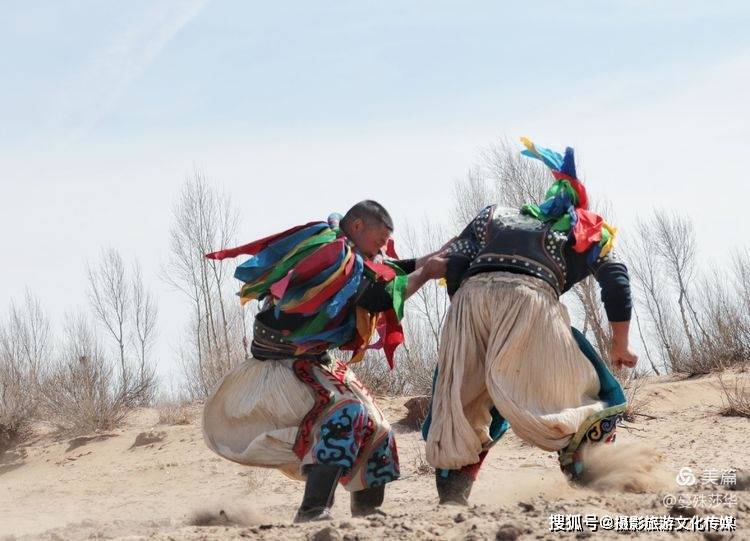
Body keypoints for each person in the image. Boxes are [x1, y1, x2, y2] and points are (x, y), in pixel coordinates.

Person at [422, 138, 638, 505]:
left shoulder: (492, 216)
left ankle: (452, 499)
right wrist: (620, 343)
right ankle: (591, 479)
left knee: (462, 401)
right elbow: (616, 278)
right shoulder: (582, 226)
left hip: (468, 302)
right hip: (529, 298)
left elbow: (448, 263)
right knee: (585, 392)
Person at [202, 200, 446, 522]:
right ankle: (313, 510)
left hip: (316, 364)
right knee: (346, 414)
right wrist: (428, 273)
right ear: (357, 227)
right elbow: (378, 297)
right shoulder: (331, 256)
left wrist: (436, 258)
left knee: (378, 428)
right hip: (282, 369)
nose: (382, 248)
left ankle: (367, 514)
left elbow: (389, 273)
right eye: (378, 241)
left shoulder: (353, 255)